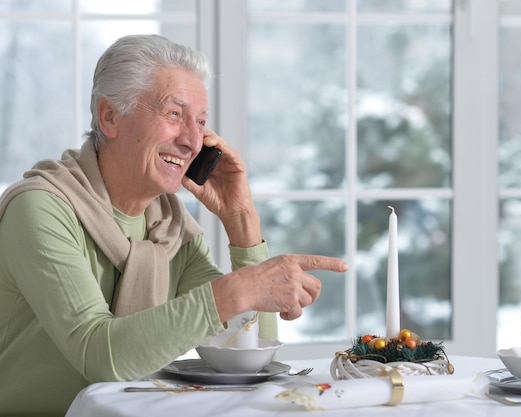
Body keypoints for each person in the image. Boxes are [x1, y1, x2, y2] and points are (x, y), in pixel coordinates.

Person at [0, 34, 348, 417]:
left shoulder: (170, 226)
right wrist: (236, 290)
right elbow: (99, 356)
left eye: (201, 122)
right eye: (174, 114)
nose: (193, 141)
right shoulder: (40, 209)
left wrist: (242, 221)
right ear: (109, 116)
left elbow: (251, 351)